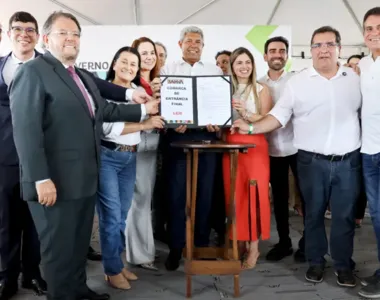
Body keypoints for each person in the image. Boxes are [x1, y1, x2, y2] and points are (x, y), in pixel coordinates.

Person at [9, 11, 159, 300]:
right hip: (53, 183)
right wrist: (40, 178)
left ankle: (78, 291)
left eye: (75, 34)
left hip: (82, 180)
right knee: (58, 250)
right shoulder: (32, 72)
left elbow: (105, 110)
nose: (70, 39)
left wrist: (145, 109)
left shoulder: (78, 75)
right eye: (63, 33)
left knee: (77, 245)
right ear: (46, 38)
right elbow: (26, 133)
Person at [232, 26, 361, 287]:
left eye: (329, 44)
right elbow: (278, 116)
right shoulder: (298, 82)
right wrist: (249, 128)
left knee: (344, 216)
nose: (323, 49)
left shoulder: (354, 78)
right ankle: (315, 262)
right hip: (311, 162)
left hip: (348, 161)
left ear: (339, 48)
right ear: (310, 50)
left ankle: (343, 264)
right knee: (312, 214)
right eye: (317, 45)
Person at [97, 46, 164, 290]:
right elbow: (107, 129)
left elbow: (145, 121)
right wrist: (143, 124)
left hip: (130, 158)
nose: (128, 67)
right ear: (114, 64)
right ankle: (112, 269)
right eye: (124, 62)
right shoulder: (102, 93)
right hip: (107, 157)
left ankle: (118, 262)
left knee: (122, 215)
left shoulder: (138, 93)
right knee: (111, 216)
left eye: (133, 64)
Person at [160, 25, 223, 271]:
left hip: (206, 139)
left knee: (205, 194)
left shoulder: (214, 70)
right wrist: (174, 122)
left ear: (203, 46)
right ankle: (176, 247)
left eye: (198, 41)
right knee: (177, 195)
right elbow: (165, 104)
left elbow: (217, 104)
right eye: (189, 41)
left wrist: (216, 120)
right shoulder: (168, 69)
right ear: (180, 45)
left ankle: (200, 245)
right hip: (178, 139)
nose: (194, 45)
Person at [0, 12, 47, 299]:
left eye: (30, 29)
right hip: (4, 158)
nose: (24, 34)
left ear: (38, 35)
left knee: (36, 222)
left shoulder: (49, 67)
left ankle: (32, 274)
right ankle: (7, 276)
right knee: (6, 222)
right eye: (18, 28)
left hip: (40, 159)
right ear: (8, 33)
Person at [223, 47, 272, 269]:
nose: (244, 66)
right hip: (229, 146)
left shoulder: (262, 89)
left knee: (254, 195)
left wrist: (245, 114)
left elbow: (268, 119)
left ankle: (254, 247)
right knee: (235, 196)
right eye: (239, 63)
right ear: (232, 66)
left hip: (255, 147)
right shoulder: (225, 88)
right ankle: (239, 242)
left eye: (247, 62)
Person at [259, 36, 306, 263]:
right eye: (272, 51)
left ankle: (308, 241)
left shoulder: (298, 81)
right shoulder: (257, 84)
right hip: (271, 149)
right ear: (265, 55)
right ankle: (284, 242)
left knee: (306, 197)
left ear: (287, 55)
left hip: (298, 147)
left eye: (281, 50)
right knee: (279, 198)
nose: (277, 54)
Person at [125, 37, 161, 271]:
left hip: (157, 147)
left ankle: (144, 248)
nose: (148, 57)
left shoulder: (161, 81)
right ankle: (140, 255)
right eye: (143, 53)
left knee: (146, 199)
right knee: (139, 199)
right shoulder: (131, 85)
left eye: (152, 53)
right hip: (137, 146)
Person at [357, 7, 380, 299]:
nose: (373, 32)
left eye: (379, 27)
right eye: (369, 28)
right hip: (369, 151)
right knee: (377, 215)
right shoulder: (363, 65)